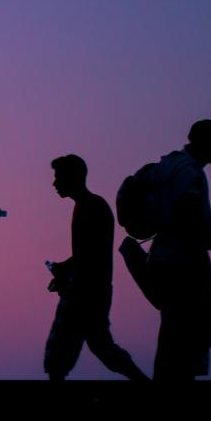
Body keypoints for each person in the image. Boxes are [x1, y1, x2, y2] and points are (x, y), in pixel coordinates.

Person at [43, 154, 148, 381]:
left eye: (58, 177)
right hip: (91, 289)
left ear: (72, 177)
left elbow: (90, 255)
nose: (54, 183)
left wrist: (65, 271)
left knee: (60, 354)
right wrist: (65, 269)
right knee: (101, 346)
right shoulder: (89, 205)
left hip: (86, 291)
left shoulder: (90, 207)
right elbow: (88, 254)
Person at [149, 119, 211, 380]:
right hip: (181, 261)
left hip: (164, 259)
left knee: (173, 329)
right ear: (204, 142)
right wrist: (199, 261)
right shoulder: (190, 172)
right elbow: (186, 215)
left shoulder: (173, 164)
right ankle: (180, 372)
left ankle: (174, 373)